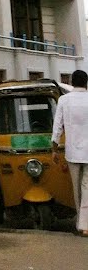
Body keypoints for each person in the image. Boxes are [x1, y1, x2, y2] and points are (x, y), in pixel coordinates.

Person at [52, 68, 88, 235]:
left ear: (72, 83)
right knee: (87, 187)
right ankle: (85, 225)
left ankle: (79, 224)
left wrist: (54, 148)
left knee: (76, 189)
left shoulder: (64, 100)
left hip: (73, 152)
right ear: (86, 83)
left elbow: (58, 125)